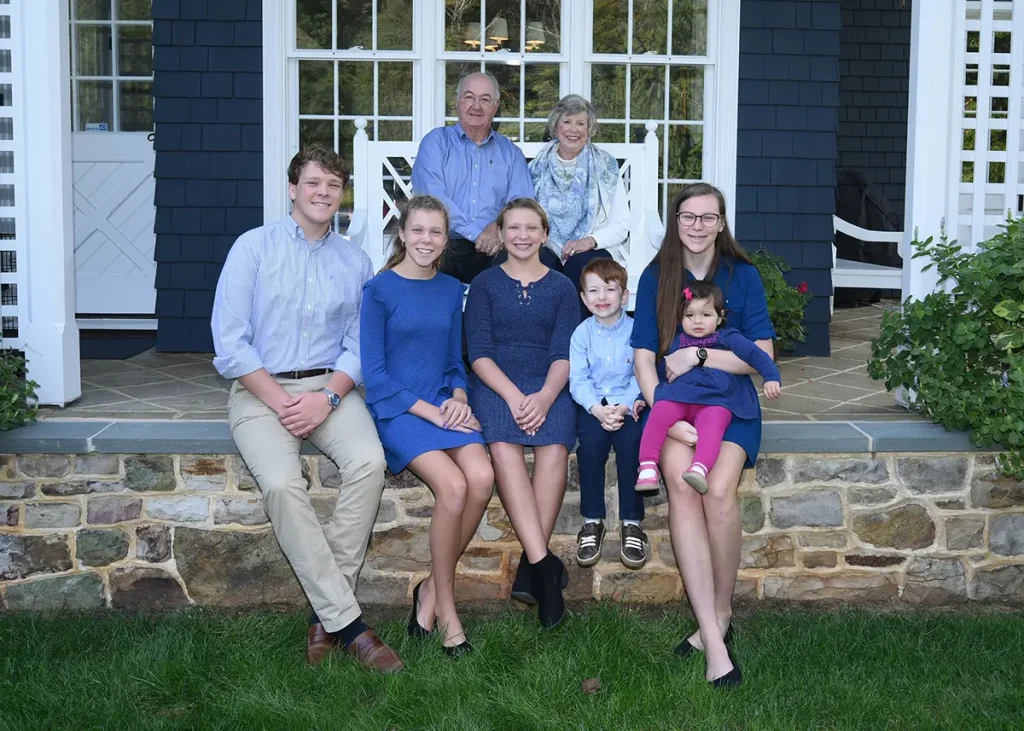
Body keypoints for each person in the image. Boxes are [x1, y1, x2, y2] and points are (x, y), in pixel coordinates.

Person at [211, 146, 402, 673]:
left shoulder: (354, 260)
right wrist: (283, 403)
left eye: (333, 185)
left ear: (342, 194)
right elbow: (230, 345)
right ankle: (349, 624)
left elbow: (359, 344)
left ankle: (326, 616)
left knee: (368, 462)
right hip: (259, 390)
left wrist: (328, 398)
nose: (323, 193)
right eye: (314, 183)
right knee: (281, 484)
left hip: (330, 389)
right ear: (292, 188)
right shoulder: (253, 248)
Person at [631, 183, 777, 690]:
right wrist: (664, 417)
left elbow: (759, 356)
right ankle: (716, 645)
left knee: (717, 490)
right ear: (675, 221)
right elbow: (646, 358)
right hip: (674, 408)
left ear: (721, 223)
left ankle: (718, 615)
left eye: (707, 217)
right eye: (687, 216)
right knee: (681, 487)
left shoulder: (744, 276)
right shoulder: (656, 277)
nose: (697, 225)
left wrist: (696, 355)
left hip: (732, 407)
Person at [359, 195, 494, 658]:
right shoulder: (378, 291)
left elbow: (456, 362)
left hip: (444, 403)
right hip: (400, 410)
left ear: (445, 239)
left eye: (435, 232)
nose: (426, 240)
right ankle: (449, 614)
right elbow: (375, 377)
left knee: (482, 477)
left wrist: (457, 396)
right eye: (418, 230)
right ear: (402, 233)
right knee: (453, 486)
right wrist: (431, 411)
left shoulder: (452, 288)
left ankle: (429, 592)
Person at [464, 198, 578, 628]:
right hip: (496, 382)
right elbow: (479, 353)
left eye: (532, 228)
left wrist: (547, 395)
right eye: (514, 228)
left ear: (545, 234)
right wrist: (514, 397)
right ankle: (545, 568)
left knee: (553, 449)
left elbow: (563, 351)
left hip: (550, 380)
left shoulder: (563, 287)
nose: (523, 235)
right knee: (504, 445)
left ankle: (534, 567)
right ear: (501, 234)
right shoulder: (485, 284)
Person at [636, 280, 781, 495]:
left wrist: (771, 376)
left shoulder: (728, 337)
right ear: (680, 317)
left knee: (714, 425)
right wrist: (641, 395)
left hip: (716, 399)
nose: (697, 321)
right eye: (690, 315)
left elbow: (755, 354)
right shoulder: (677, 342)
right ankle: (647, 465)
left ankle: (700, 468)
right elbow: (661, 369)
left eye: (705, 315)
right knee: (659, 410)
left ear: (720, 316)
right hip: (679, 397)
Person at [411, 71, 535, 284]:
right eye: (469, 97)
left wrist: (497, 226)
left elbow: (522, 204)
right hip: (442, 242)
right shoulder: (437, 143)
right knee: (425, 254)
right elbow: (434, 199)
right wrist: (476, 234)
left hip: (492, 247)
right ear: (457, 102)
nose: (476, 106)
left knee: (517, 265)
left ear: (495, 107)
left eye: (485, 99)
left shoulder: (510, 153)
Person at [568, 258, 649, 570]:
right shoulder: (581, 335)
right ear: (584, 298)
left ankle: (632, 523)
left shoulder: (636, 331)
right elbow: (578, 379)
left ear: (624, 296)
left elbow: (641, 373)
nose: (601, 297)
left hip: (630, 406)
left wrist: (626, 406)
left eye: (610, 289)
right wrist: (598, 411)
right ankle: (592, 521)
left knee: (632, 447)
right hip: (595, 407)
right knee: (590, 448)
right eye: (593, 291)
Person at [529, 94, 630, 319]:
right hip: (548, 245)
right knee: (540, 262)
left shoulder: (605, 166)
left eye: (580, 123)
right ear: (555, 126)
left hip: (592, 248)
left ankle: (578, 341)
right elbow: (527, 216)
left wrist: (589, 241)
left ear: (589, 129)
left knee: (581, 265)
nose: (573, 129)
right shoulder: (538, 166)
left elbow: (622, 224)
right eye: (567, 121)